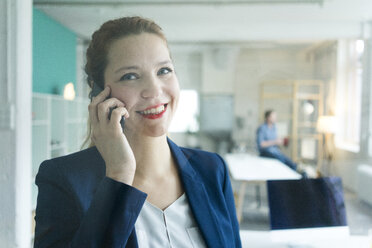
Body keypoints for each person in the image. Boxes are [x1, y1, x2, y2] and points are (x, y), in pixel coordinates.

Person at [33, 16, 241, 248]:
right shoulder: (64, 179)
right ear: (98, 91)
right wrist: (119, 176)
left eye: (164, 70)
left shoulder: (211, 170)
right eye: (130, 76)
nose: (154, 90)